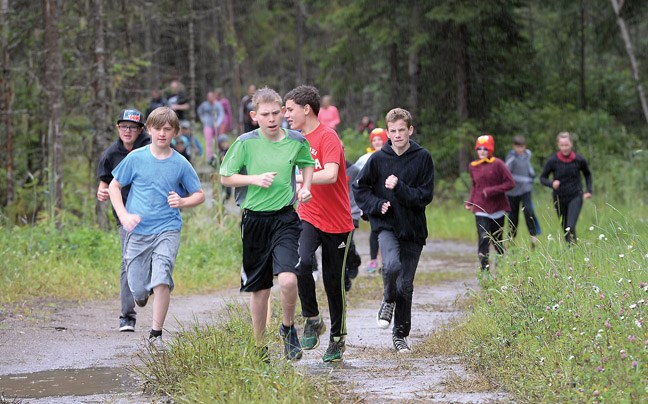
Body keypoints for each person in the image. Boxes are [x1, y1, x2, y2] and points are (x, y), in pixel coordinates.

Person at [219, 87, 314, 361]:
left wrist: (305, 187)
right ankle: (259, 346)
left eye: (276, 113)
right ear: (254, 116)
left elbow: (306, 163)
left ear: (283, 112)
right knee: (260, 289)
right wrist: (253, 179)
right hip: (254, 221)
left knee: (287, 280)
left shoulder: (296, 140)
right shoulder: (245, 143)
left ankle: (288, 328)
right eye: (265, 114)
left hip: (285, 218)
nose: (271, 119)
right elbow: (226, 177)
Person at [108, 106, 205, 350]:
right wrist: (124, 214)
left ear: (174, 132)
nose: (162, 133)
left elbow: (199, 194)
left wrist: (182, 202)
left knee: (162, 278)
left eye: (167, 129)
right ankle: (143, 295)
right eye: (157, 128)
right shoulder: (136, 158)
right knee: (139, 291)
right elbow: (114, 187)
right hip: (137, 232)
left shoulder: (180, 163)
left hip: (167, 229)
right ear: (149, 130)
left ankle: (156, 334)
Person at [353, 108, 434, 353]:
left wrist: (399, 188)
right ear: (387, 132)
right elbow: (360, 189)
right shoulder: (378, 159)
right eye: (393, 131)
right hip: (386, 225)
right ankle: (388, 299)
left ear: (410, 130)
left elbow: (425, 196)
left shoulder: (423, 158)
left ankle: (400, 336)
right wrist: (376, 205)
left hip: (413, 229)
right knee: (391, 267)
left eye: (402, 130)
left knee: (405, 285)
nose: (397, 135)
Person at [284, 85, 354, 363]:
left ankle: (337, 339)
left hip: (337, 222)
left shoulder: (328, 137)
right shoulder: (296, 140)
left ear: (306, 109)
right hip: (308, 214)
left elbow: (331, 174)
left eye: (289, 110)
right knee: (300, 263)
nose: (286, 115)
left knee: (332, 282)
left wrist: (298, 180)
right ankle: (312, 318)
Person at [97, 108, 150, 333]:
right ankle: (127, 316)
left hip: (152, 213)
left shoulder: (151, 147)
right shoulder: (111, 154)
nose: (127, 131)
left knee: (149, 258)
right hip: (124, 215)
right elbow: (104, 182)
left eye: (132, 127)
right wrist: (101, 191)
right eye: (123, 127)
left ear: (140, 130)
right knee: (127, 261)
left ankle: (144, 287)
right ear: (118, 128)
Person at [465, 134, 515, 273]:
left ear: (490, 150)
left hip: (497, 209)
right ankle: (485, 271)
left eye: (485, 149)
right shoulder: (473, 166)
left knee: (497, 240)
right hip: (480, 208)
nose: (481, 151)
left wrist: (493, 190)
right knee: (483, 238)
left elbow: (510, 183)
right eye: (479, 148)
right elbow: (475, 186)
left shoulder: (498, 164)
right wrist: (470, 202)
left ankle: (500, 268)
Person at [540, 131, 593, 244]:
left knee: (570, 225)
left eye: (567, 145)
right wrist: (552, 183)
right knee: (564, 226)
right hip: (559, 198)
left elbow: (587, 174)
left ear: (571, 144)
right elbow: (542, 178)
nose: (564, 148)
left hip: (576, 195)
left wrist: (588, 190)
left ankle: (572, 248)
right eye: (562, 145)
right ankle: (571, 249)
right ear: (558, 145)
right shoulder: (553, 161)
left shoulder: (579, 160)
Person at [355, 127, 389, 273]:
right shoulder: (365, 159)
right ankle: (373, 260)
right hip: (371, 200)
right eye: (374, 140)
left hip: (388, 199)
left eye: (379, 139)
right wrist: (362, 204)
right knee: (375, 230)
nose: (377, 142)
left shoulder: (391, 155)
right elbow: (356, 178)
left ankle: (386, 261)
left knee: (388, 230)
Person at [505, 135, 540, 246]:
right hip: (512, 192)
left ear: (524, 146)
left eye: (522, 147)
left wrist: (531, 177)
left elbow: (529, 169)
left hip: (525, 190)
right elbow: (506, 172)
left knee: (529, 211)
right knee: (513, 216)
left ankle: (534, 238)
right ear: (514, 146)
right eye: (518, 147)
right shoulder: (511, 157)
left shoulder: (527, 155)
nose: (520, 149)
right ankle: (511, 240)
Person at [344, 159, 362, 291]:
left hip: (351, 212)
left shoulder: (354, 170)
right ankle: (343, 278)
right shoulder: (323, 169)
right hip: (332, 214)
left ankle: (353, 259)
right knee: (336, 248)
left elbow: (360, 190)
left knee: (346, 243)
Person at [197, 90, 224, 163]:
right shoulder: (204, 105)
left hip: (216, 126)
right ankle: (210, 159)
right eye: (209, 97)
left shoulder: (218, 104)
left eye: (211, 96)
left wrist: (218, 123)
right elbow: (199, 111)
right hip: (208, 125)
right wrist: (203, 120)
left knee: (218, 141)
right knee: (208, 142)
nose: (210, 98)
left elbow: (221, 114)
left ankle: (220, 156)